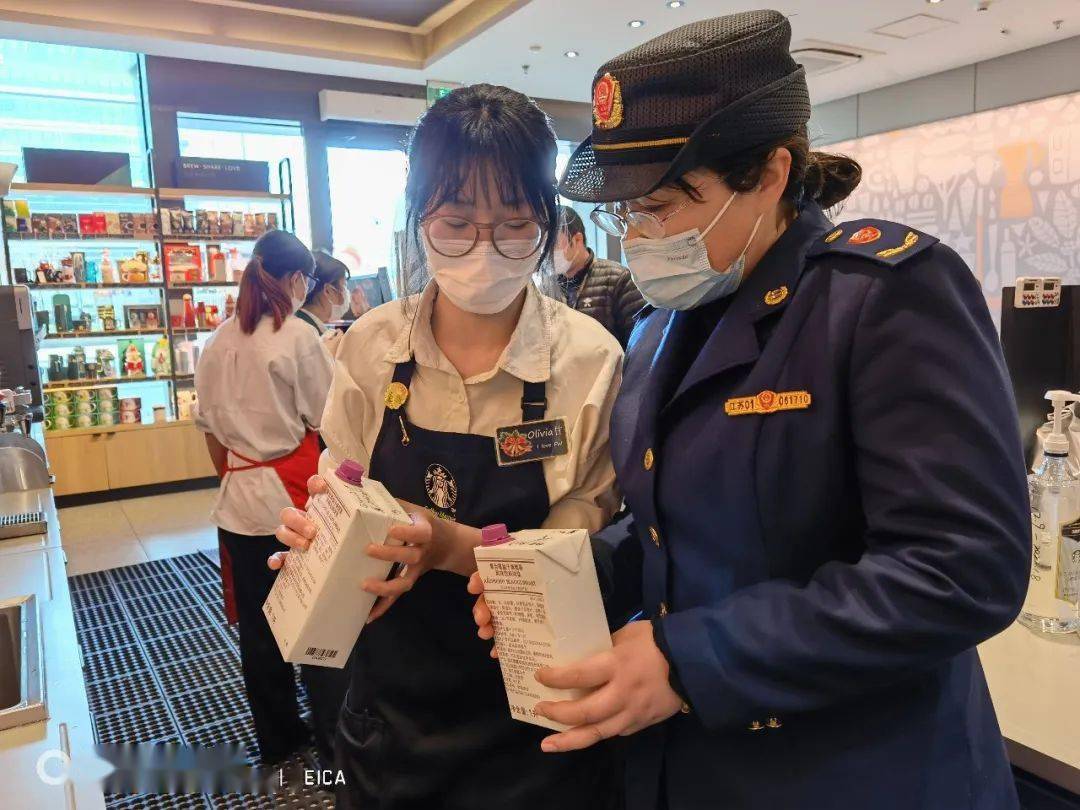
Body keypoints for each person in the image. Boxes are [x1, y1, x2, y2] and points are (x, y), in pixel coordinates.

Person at [470, 12, 1030, 810]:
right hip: (695, 767)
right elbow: (675, 523)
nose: (637, 238)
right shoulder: (663, 322)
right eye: (624, 213)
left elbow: (962, 568)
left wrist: (690, 659)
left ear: (769, 174)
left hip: (857, 771)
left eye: (663, 206)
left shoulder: (880, 297)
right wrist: (575, 576)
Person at [271, 84, 625, 809]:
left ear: (550, 224)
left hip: (534, 718)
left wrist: (441, 542)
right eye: (457, 223)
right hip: (390, 715)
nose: (483, 252)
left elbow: (589, 537)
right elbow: (341, 482)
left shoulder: (590, 360)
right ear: (419, 217)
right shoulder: (370, 346)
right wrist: (323, 538)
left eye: (515, 227)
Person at [193, 230, 334, 766]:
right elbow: (328, 418)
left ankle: (277, 735)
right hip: (293, 500)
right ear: (297, 280)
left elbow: (209, 434)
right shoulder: (297, 335)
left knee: (259, 626)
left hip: (237, 501)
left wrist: (238, 476)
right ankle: (328, 727)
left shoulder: (219, 338)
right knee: (316, 613)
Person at [554, 205, 646, 347]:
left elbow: (638, 343)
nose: (547, 253)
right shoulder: (547, 285)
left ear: (578, 239)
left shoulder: (618, 278)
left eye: (553, 244)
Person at [297, 250, 351, 334]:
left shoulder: (304, 322)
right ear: (328, 290)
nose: (346, 293)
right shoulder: (308, 333)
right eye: (344, 286)